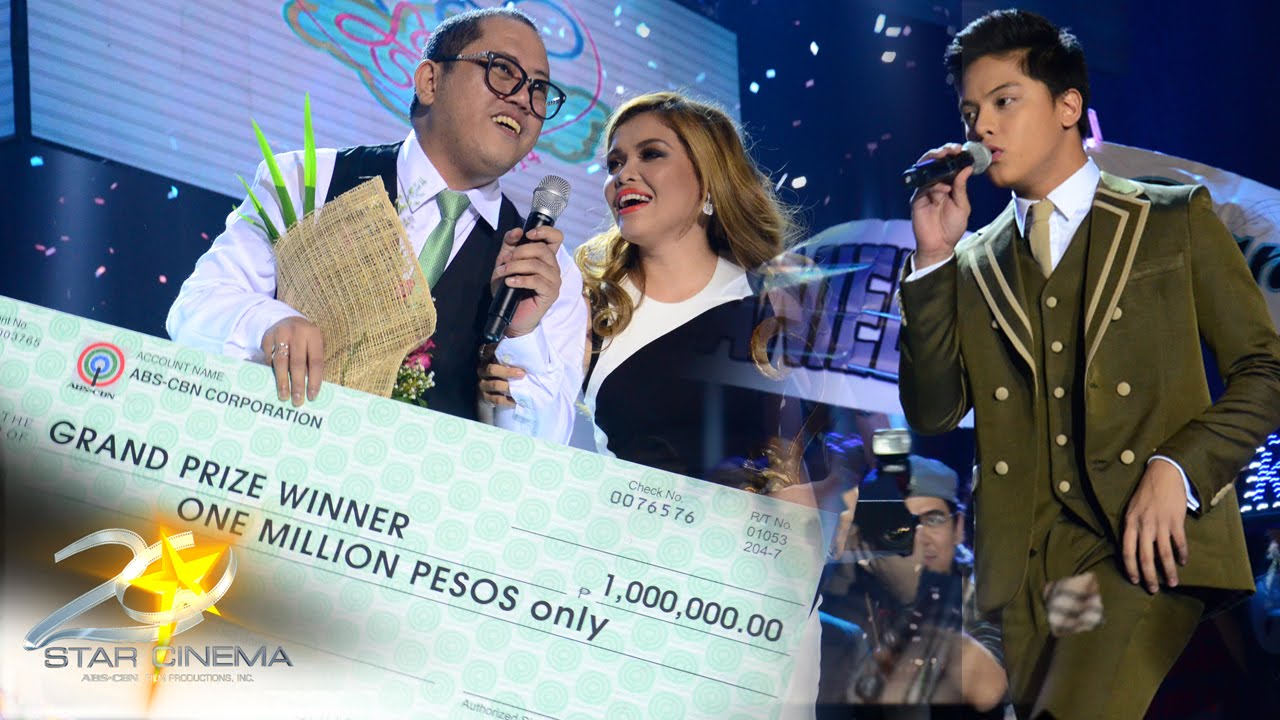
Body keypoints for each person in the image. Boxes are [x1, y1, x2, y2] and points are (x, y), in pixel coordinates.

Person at [897, 9, 1280, 718]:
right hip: (1026, 572)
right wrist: (932, 259)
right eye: (971, 112)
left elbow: (1266, 369)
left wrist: (1180, 469)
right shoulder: (971, 261)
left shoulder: (1173, 218)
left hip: (1143, 544)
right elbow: (934, 410)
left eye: (1005, 101)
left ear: (1068, 106)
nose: (983, 127)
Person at [481, 90, 825, 716]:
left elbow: (798, 485)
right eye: (615, 163)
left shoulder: (773, 305)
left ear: (708, 181)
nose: (624, 175)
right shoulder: (585, 304)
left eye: (650, 155)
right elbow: (527, 440)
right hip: (626, 598)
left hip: (751, 612)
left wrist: (782, 614)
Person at [166, 7, 586, 441]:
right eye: (502, 70)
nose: (523, 98)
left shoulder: (548, 274)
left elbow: (541, 449)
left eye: (539, 88)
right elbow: (196, 309)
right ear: (430, 81)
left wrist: (521, 335)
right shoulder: (309, 181)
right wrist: (270, 324)